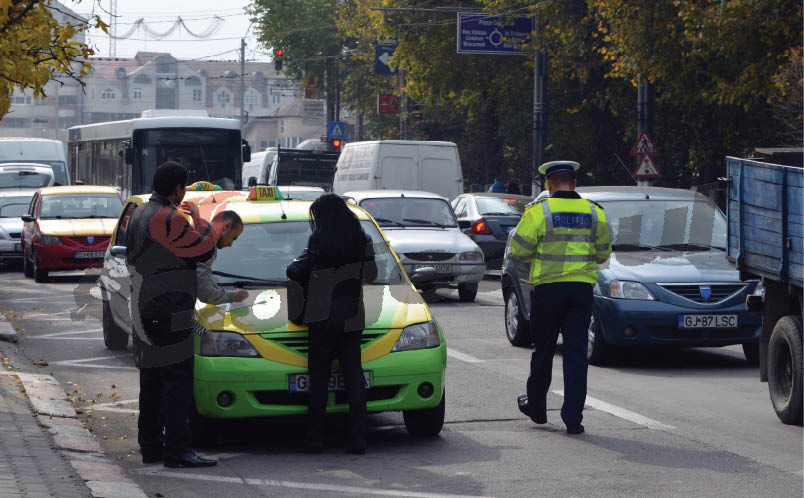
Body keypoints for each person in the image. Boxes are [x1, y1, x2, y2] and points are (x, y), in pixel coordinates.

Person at [126, 161, 219, 468]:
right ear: (178, 188)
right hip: (171, 308)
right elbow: (204, 249)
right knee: (177, 382)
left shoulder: (139, 212)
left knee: (151, 380)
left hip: (145, 306)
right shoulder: (170, 217)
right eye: (184, 188)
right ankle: (178, 450)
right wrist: (199, 220)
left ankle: (150, 447)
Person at [510, 161, 611, 435]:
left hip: (548, 290)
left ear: (549, 185)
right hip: (581, 291)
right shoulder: (594, 212)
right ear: (574, 183)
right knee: (576, 354)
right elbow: (603, 255)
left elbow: (518, 251)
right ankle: (573, 419)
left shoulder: (539, 211)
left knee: (543, 350)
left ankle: (538, 409)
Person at [287, 194, 377, 454]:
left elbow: (295, 272)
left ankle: (315, 438)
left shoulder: (319, 240)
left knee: (319, 379)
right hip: (351, 316)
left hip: (320, 317)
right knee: (354, 377)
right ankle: (358, 439)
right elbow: (372, 275)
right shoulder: (362, 240)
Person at [195, 210, 248, 305]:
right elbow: (206, 293)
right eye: (233, 238)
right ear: (227, 226)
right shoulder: (206, 246)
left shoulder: (198, 236)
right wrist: (232, 296)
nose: (231, 244)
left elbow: (202, 276)